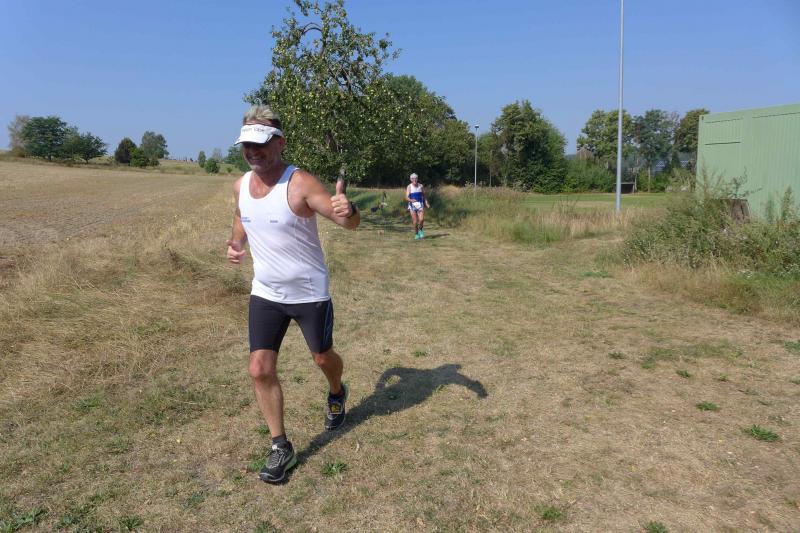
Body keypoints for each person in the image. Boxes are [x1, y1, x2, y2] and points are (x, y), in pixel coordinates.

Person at [226, 105, 360, 484]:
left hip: (308, 293)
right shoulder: (240, 185)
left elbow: (347, 223)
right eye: (247, 145)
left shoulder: (300, 184)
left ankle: (336, 391)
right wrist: (236, 243)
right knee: (259, 368)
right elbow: (240, 215)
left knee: (322, 358)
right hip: (265, 292)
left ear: (280, 143)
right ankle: (280, 446)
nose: (253, 152)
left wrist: (349, 210)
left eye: (261, 144)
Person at [405, 173, 430, 239]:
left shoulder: (420, 186)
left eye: (415, 178)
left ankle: (420, 230)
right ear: (411, 179)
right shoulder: (409, 186)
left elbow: (424, 195)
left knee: (422, 219)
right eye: (413, 178)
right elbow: (406, 197)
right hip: (412, 206)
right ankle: (416, 234)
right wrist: (411, 200)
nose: (414, 180)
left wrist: (426, 203)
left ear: (417, 179)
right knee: (415, 222)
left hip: (420, 205)